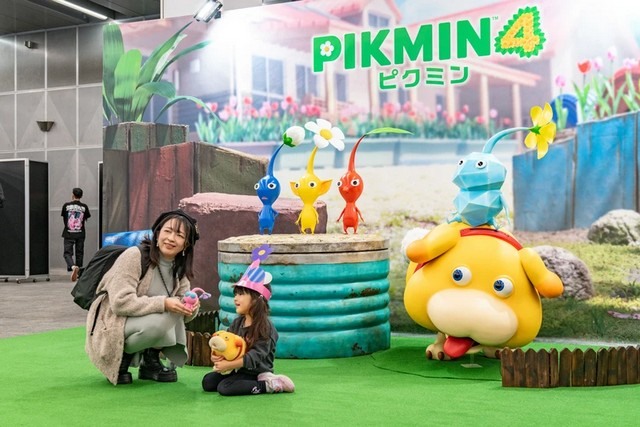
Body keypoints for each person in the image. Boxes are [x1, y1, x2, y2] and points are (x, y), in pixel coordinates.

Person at [85, 209, 201, 385]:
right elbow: (120, 302)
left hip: (140, 321)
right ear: (158, 233)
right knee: (165, 317)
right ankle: (121, 357)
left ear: (186, 244)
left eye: (179, 235)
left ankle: (150, 361)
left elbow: (183, 316)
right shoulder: (134, 256)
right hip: (113, 323)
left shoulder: (179, 267)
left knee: (173, 313)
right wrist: (164, 303)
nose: (171, 238)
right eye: (167, 231)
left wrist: (191, 307)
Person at [202, 245, 295, 395]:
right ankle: (238, 379)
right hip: (238, 369)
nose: (235, 298)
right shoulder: (237, 323)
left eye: (241, 294)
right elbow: (228, 343)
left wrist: (229, 365)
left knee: (225, 388)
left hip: (256, 372)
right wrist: (218, 355)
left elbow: (254, 358)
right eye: (235, 294)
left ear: (256, 299)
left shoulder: (265, 328)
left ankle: (269, 384)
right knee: (208, 382)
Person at [61, 188, 91, 275]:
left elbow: (64, 217)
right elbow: (86, 217)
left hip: (68, 233)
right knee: (79, 253)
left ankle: (72, 266)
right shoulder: (84, 207)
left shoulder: (66, 205)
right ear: (81, 196)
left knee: (67, 253)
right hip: (80, 233)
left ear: (73, 195)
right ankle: (79, 273)